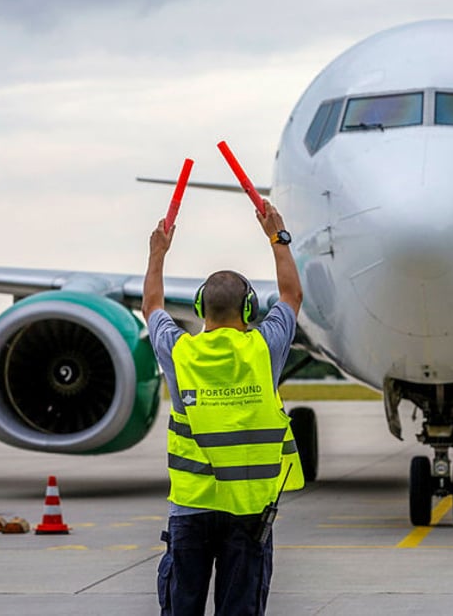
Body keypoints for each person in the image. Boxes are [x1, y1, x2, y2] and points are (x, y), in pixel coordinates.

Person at [142, 199, 304, 615]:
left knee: (183, 606)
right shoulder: (264, 348)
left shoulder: (180, 352)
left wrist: (157, 252)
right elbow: (291, 294)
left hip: (191, 505)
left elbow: (152, 308)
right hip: (248, 508)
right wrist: (276, 235)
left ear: (199, 308)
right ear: (249, 308)